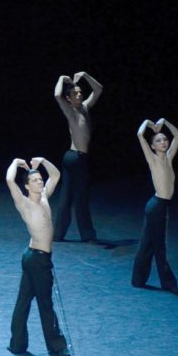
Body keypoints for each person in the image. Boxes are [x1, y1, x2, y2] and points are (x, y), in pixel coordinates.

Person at [5, 157, 68, 356]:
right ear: (26, 186)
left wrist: (42, 161)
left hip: (35, 257)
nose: (40, 182)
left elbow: (56, 175)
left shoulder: (45, 198)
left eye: (40, 179)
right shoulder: (24, 204)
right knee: (45, 303)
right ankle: (55, 345)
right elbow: (9, 180)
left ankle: (17, 344)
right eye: (35, 180)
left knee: (23, 300)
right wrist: (15, 163)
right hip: (37, 260)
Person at [132, 118, 178, 291]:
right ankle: (168, 283)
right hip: (156, 206)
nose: (163, 142)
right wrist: (147, 122)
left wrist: (165, 121)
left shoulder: (169, 158)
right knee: (159, 246)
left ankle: (138, 280)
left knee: (148, 244)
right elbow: (140, 134)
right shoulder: (153, 160)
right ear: (152, 146)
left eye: (164, 139)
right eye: (159, 140)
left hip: (160, 206)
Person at [52, 72, 103, 242]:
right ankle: (80, 235)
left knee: (76, 197)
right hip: (75, 158)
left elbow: (98, 89)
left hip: (78, 158)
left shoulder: (85, 107)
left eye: (80, 92)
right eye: (75, 93)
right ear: (69, 99)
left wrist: (86, 76)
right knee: (74, 197)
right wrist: (61, 79)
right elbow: (57, 95)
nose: (79, 95)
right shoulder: (71, 111)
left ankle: (61, 235)